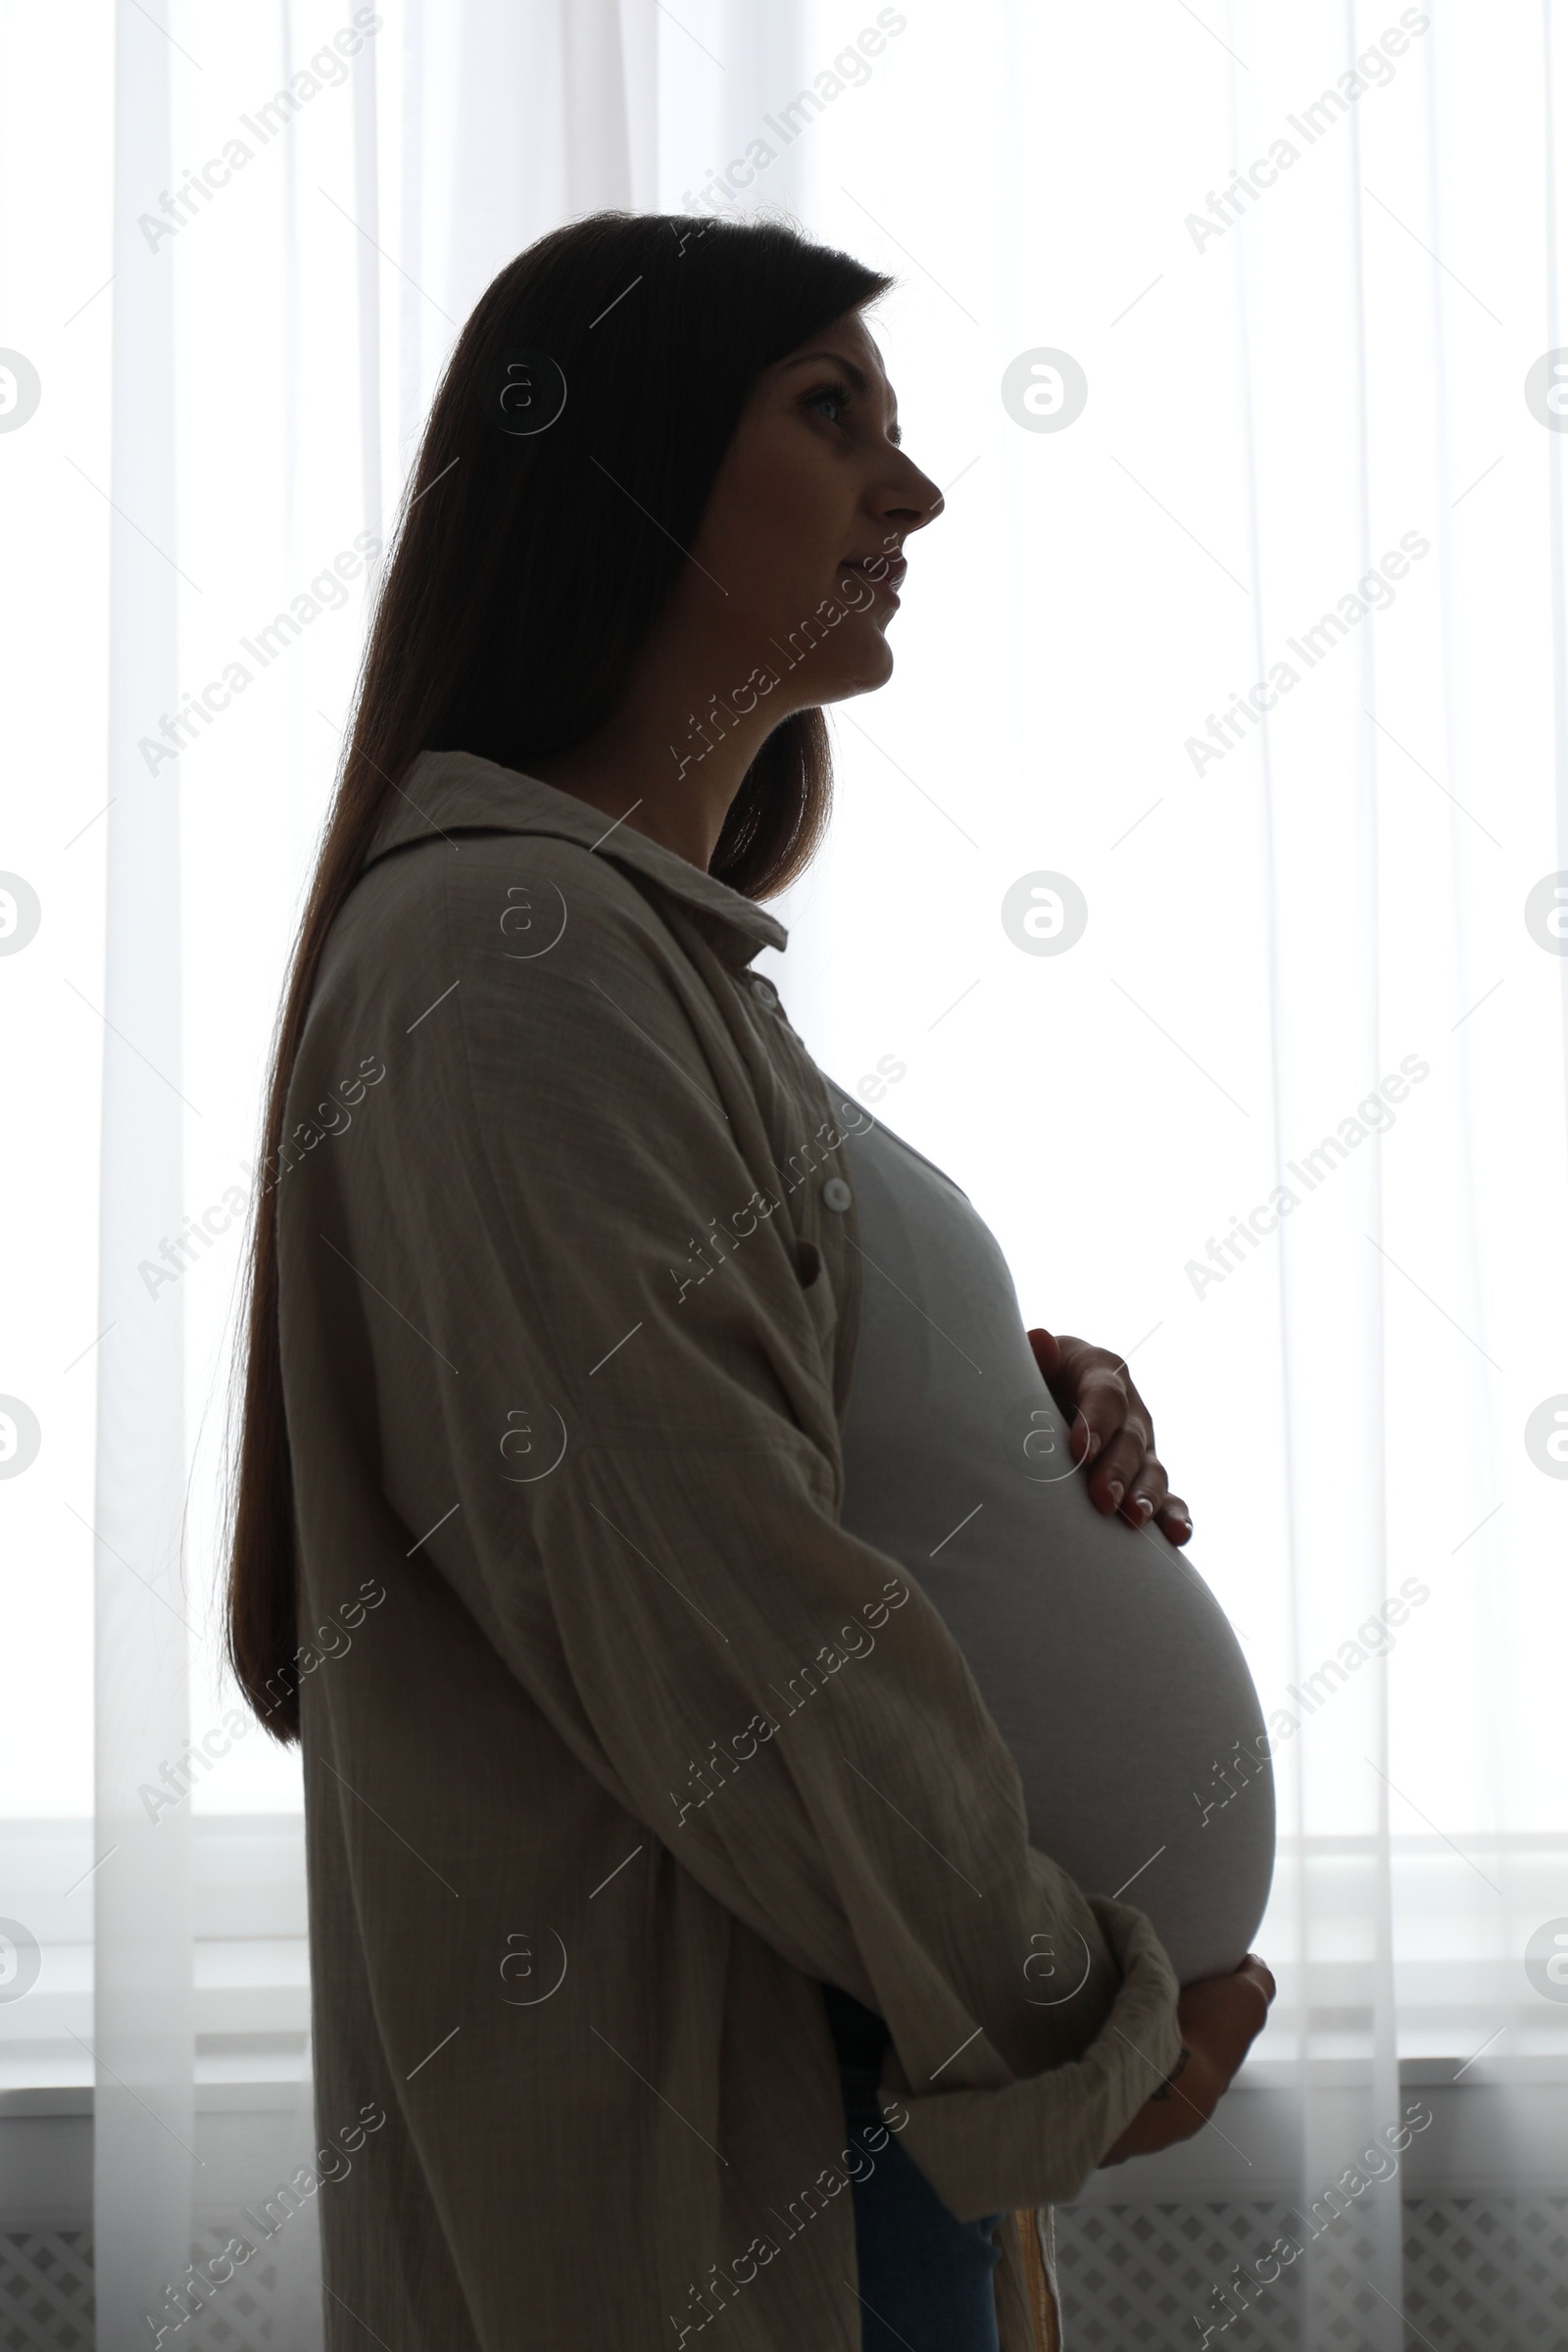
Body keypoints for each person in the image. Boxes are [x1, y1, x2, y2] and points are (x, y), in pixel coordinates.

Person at [226, 210, 1275, 2352]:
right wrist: (1059, 2005)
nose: (913, 491)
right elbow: (709, 1605)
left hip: (856, 2091)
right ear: (605, 466)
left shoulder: (633, 959)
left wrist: (990, 1400)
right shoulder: (502, 959)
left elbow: (721, 1452)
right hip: (767, 2120)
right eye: (830, 416)